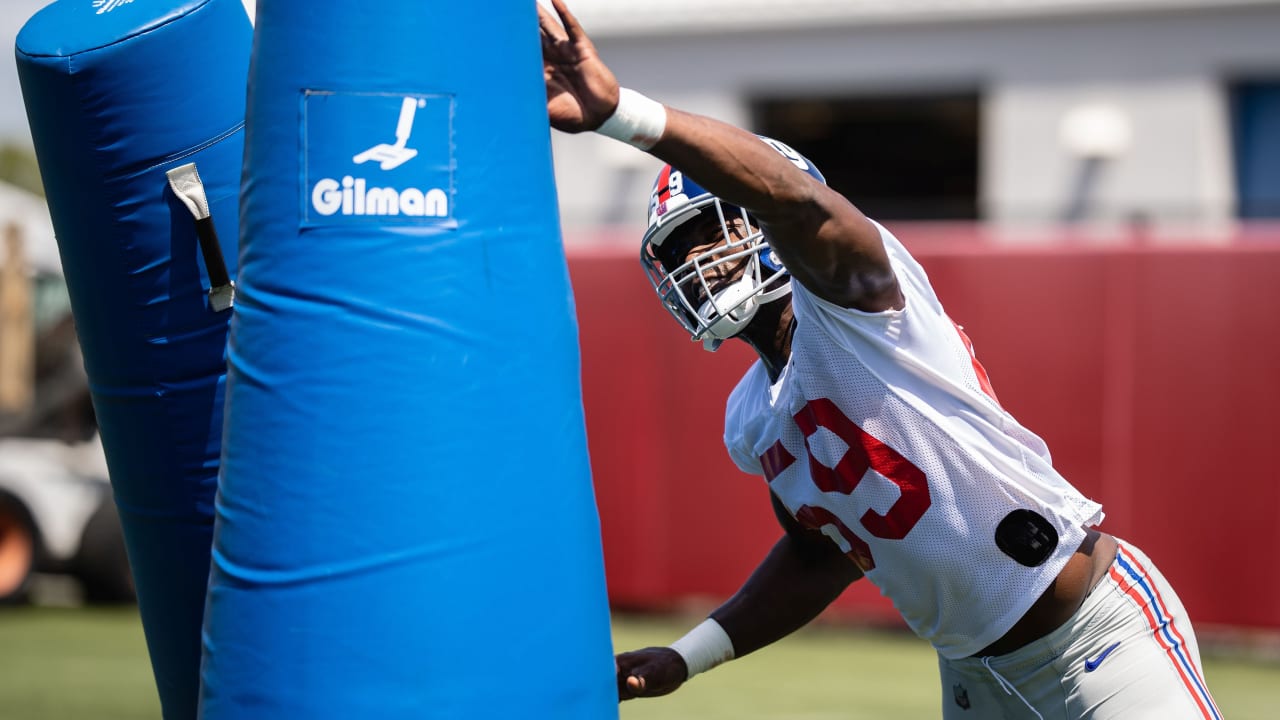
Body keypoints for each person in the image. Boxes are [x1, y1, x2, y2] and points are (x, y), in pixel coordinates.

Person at [538, 2, 1221, 718]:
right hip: (973, 674)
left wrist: (625, 116)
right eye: (679, 250)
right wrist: (688, 655)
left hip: (1093, 636)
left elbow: (799, 204)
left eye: (711, 232)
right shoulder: (753, 416)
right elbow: (819, 553)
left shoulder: (852, 302)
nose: (698, 262)